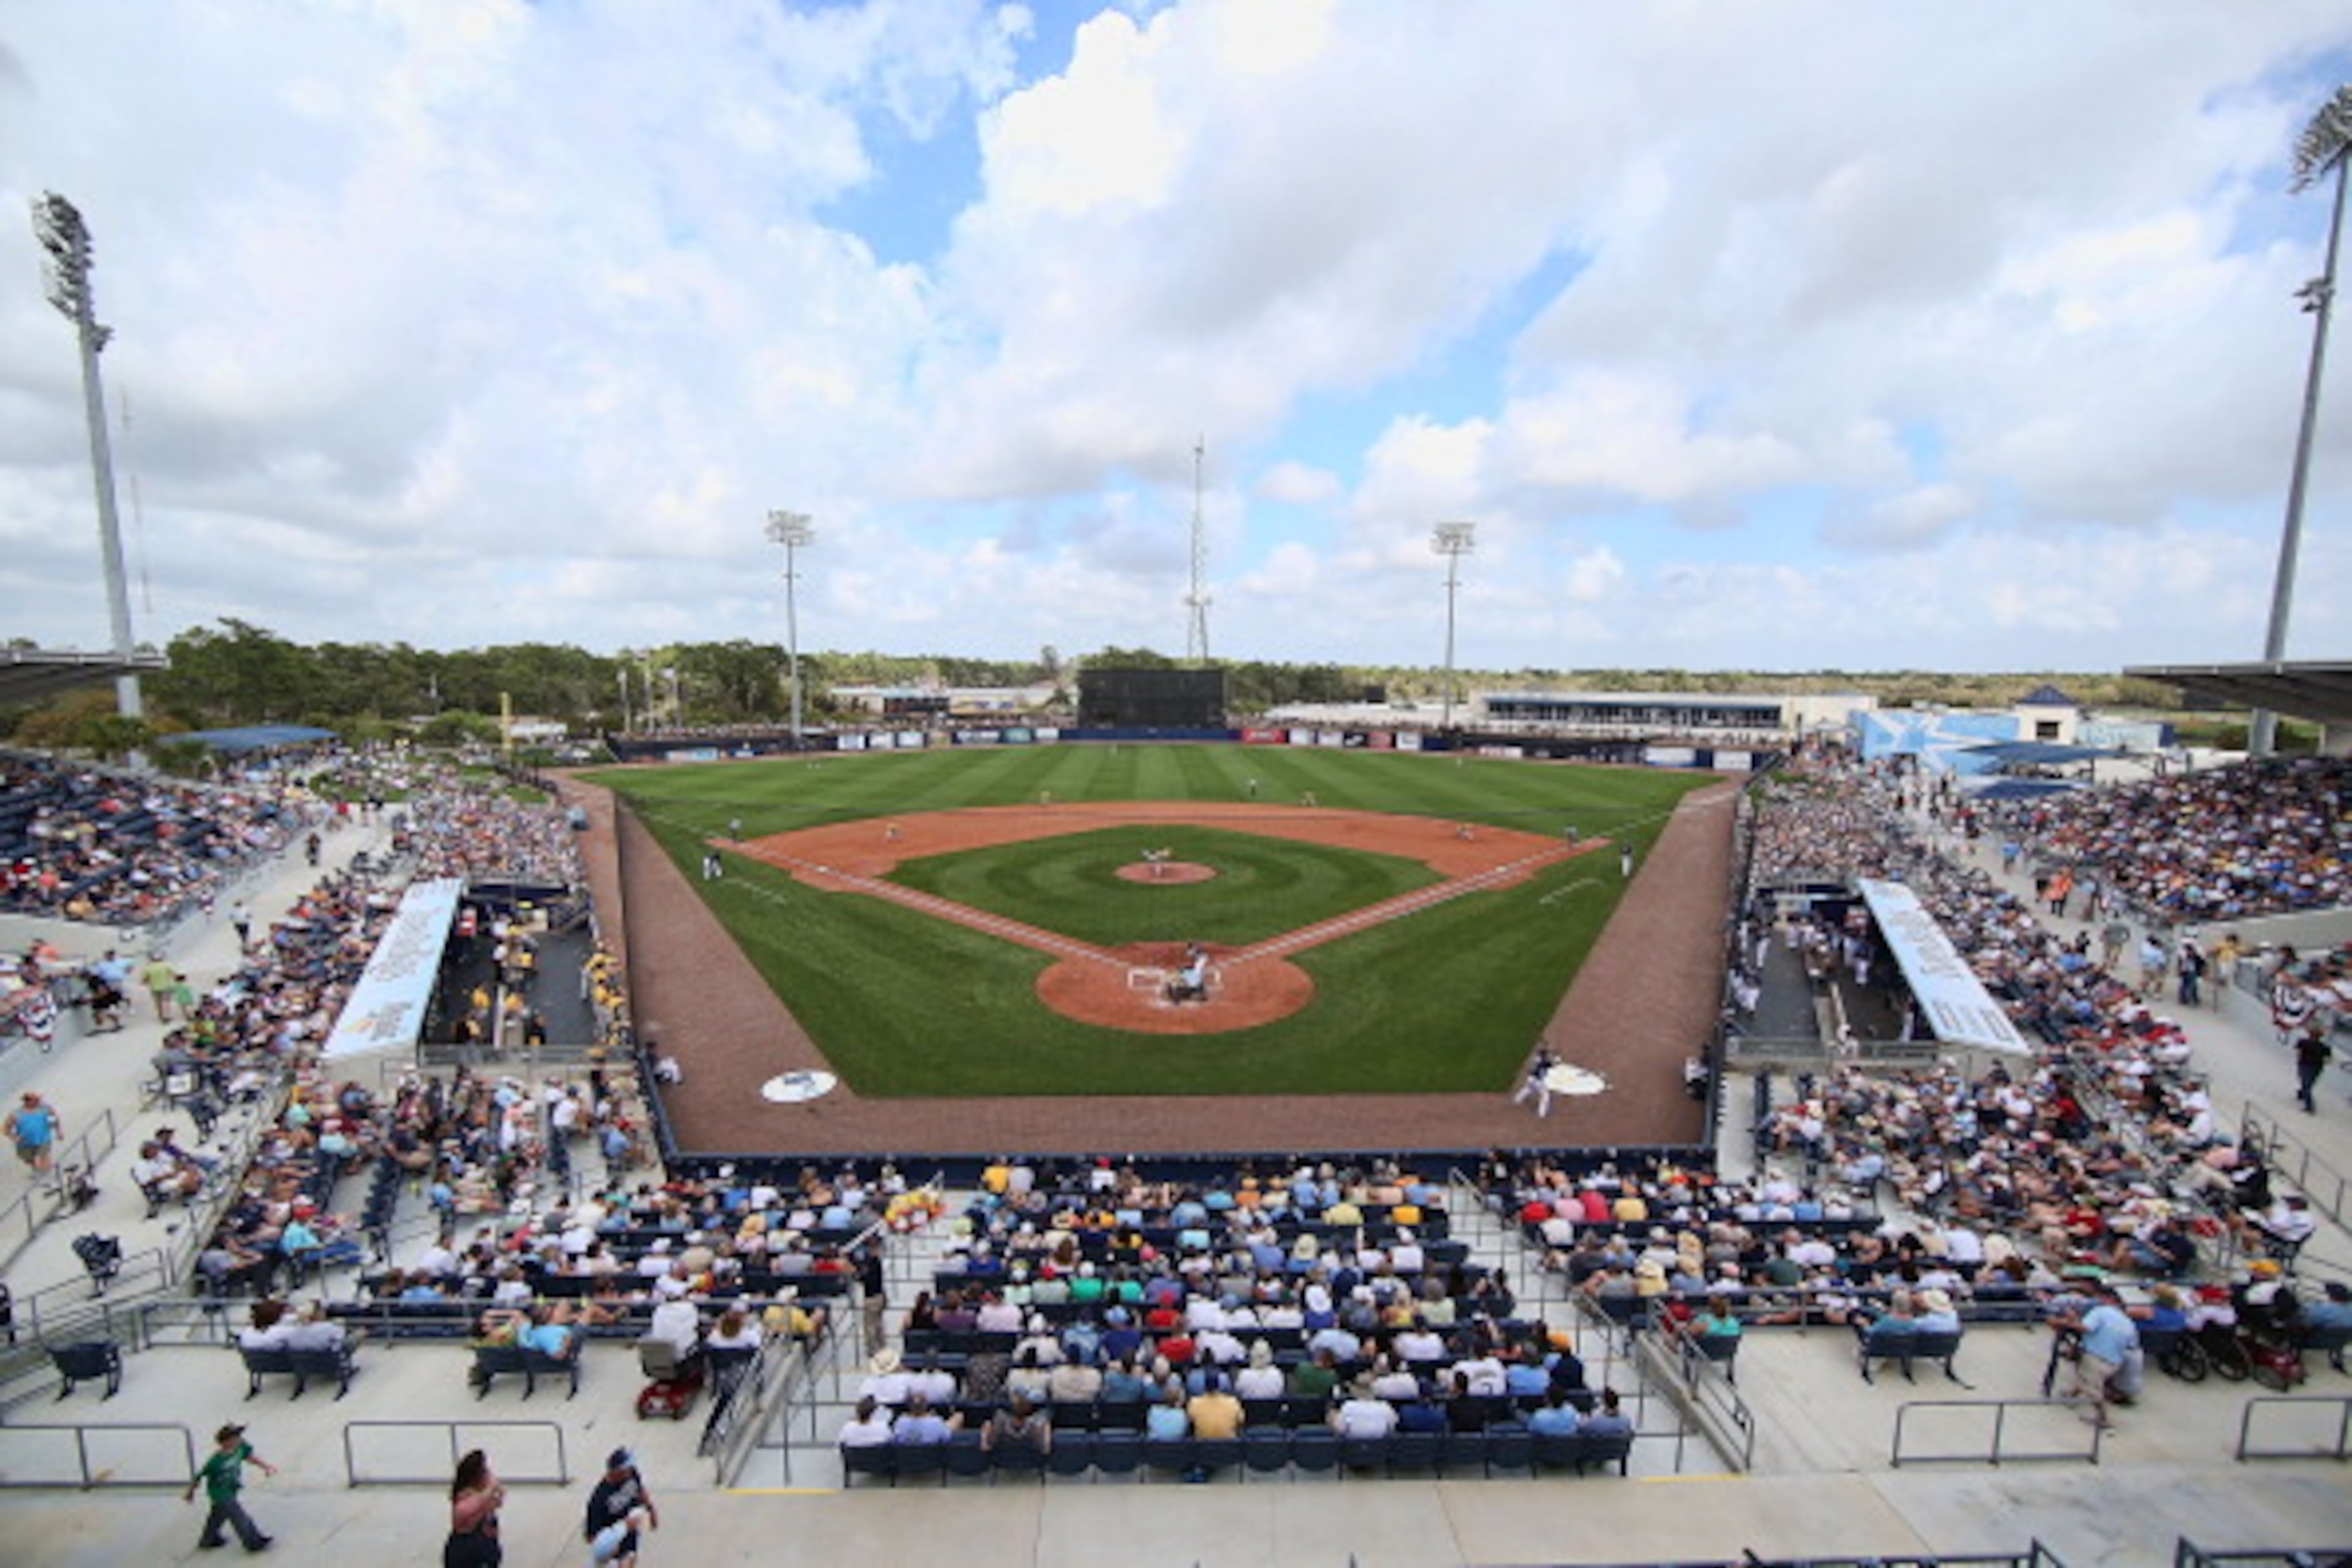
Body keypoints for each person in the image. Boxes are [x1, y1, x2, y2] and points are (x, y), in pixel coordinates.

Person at [185, 1422, 276, 1553]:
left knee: (218, 1515)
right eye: (235, 1437)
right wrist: (190, 1493)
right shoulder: (216, 1461)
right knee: (240, 1517)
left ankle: (208, 1539)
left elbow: (250, 1457)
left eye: (238, 1436)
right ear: (225, 1442)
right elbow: (199, 1476)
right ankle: (253, 1542)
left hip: (231, 1489)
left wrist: (265, 1466)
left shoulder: (240, 1448)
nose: (239, 1439)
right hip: (220, 1493)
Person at [584, 1448, 658, 1564]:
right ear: (616, 1471)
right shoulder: (599, 1499)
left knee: (631, 1559)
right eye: (626, 1469)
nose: (630, 1471)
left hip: (630, 1532)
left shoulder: (631, 1474)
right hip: (614, 1540)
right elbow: (591, 1537)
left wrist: (652, 1510)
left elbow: (640, 1490)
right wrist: (608, 1550)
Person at [445, 1447, 505, 1567]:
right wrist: (489, 1490)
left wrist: (494, 1486)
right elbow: (464, 1511)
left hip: (486, 1548)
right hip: (466, 1552)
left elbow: (499, 1500)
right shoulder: (465, 1496)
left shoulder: (484, 1495)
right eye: (483, 1472)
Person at [8, 1091, 60, 1183]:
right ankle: (36, 1169)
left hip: (43, 1139)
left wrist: (59, 1131)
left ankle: (45, 1178)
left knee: (43, 1158)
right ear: (27, 1102)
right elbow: (5, 1128)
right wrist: (14, 1137)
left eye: (38, 1100)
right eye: (35, 1100)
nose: (38, 1102)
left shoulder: (45, 1109)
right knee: (28, 1159)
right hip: (25, 1142)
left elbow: (55, 1118)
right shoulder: (16, 1114)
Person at [2294, 1021, 2332, 1114]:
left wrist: (2299, 1062)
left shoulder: (2303, 1042)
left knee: (2305, 1083)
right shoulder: (2324, 1047)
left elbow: (2298, 1053)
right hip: (2317, 1067)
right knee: (2309, 1083)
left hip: (2305, 1065)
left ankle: (2309, 1106)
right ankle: (2302, 1094)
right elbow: (2328, 1060)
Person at [1512, 1046, 1559, 1118]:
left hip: (1531, 1079)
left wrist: (1551, 1055)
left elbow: (1544, 1057)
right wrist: (1557, 1059)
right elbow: (1552, 1064)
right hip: (1538, 1082)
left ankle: (1516, 1100)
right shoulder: (1545, 1062)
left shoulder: (1537, 1059)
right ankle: (1541, 1113)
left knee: (1528, 1089)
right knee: (1545, 1096)